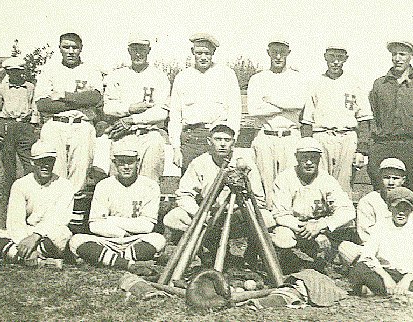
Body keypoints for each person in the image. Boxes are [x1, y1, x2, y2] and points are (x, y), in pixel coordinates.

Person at [163, 124, 273, 264]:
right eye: (218, 139)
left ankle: (252, 254)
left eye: (227, 140)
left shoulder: (245, 164)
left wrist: (237, 211)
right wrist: (199, 213)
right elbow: (184, 194)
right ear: (209, 141)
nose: (222, 144)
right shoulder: (199, 163)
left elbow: (258, 199)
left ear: (233, 142)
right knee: (173, 217)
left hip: (238, 215)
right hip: (208, 214)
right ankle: (196, 251)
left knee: (267, 218)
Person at [68, 143, 166, 271]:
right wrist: (121, 233)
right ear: (114, 163)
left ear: (138, 162)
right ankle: (128, 263)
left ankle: (109, 258)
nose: (126, 167)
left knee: (158, 240)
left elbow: (147, 226)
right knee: (76, 241)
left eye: (130, 162)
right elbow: (95, 225)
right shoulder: (104, 185)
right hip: (108, 240)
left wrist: (110, 220)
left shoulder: (150, 186)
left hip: (135, 239)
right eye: (121, 162)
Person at [367, 41, 413, 198]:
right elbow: (372, 117)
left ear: (411, 56)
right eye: (394, 54)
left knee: (412, 193)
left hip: (412, 145)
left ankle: (411, 221)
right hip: (384, 144)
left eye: (402, 54)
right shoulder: (380, 84)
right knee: (380, 189)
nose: (397, 58)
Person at [270, 137, 356, 274]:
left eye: (313, 157)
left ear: (319, 159)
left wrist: (320, 227)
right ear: (296, 158)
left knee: (347, 247)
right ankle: (288, 263)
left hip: (320, 226)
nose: (309, 162)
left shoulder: (327, 180)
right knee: (282, 236)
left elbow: (348, 211)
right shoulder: (285, 178)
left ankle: (327, 261)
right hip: (295, 227)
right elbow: (280, 214)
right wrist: (307, 229)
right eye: (304, 157)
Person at [0, 141, 74, 266]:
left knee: (63, 234)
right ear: (32, 162)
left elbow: (59, 219)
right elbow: (15, 221)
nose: (45, 165)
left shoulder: (65, 185)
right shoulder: (21, 184)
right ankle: (38, 259)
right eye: (41, 161)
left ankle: (12, 255)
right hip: (25, 233)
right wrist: (23, 241)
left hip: (48, 233)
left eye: (49, 161)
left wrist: (35, 237)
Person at [92, 35, 170, 182]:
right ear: (129, 50)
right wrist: (130, 108)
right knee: (120, 183)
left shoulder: (159, 76)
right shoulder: (117, 75)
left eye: (142, 49)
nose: (138, 53)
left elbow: (161, 111)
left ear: (149, 50)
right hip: (122, 134)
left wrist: (132, 120)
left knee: (149, 182)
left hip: (149, 134)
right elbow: (108, 108)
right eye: (134, 49)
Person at [34, 32, 104, 194]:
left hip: (82, 126)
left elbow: (94, 97)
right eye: (66, 47)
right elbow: (43, 105)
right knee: (55, 173)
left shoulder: (91, 70)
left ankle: (74, 215)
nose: (71, 51)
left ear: (81, 49)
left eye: (75, 47)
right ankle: (56, 216)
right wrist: (79, 102)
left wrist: (64, 96)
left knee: (79, 173)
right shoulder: (49, 70)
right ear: (59, 48)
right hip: (55, 125)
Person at [338, 158, 413, 265]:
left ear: (403, 180)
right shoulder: (368, 201)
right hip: (378, 250)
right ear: (379, 179)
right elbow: (366, 236)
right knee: (346, 248)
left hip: (406, 251)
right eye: (386, 178)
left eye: (396, 178)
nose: (391, 182)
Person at [301, 45, 372, 196]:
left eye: (339, 58)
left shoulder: (354, 83)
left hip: (346, 137)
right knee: (318, 182)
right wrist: (308, 146)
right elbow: (307, 121)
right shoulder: (316, 83)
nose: (335, 62)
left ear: (345, 59)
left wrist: (362, 150)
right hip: (322, 136)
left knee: (343, 186)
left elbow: (364, 120)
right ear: (325, 57)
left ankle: (343, 218)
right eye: (332, 57)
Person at [349, 187, 413, 296]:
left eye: (406, 209)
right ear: (390, 208)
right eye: (397, 208)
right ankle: (411, 294)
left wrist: (406, 279)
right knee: (358, 269)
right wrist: (386, 278)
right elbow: (368, 255)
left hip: (410, 274)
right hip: (387, 271)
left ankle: (379, 291)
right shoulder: (381, 226)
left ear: (411, 210)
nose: (401, 213)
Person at [247, 38, 308, 208]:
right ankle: (267, 226)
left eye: (282, 52)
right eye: (274, 52)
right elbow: (255, 109)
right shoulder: (258, 79)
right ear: (268, 53)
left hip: (290, 137)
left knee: (291, 182)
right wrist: (284, 107)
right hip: (266, 136)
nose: (278, 56)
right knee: (266, 184)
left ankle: (288, 224)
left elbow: (298, 105)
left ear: (288, 53)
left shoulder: (297, 78)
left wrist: (271, 100)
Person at [168, 33, 242, 173]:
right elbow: (175, 116)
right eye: (199, 53)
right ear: (192, 52)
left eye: (207, 53)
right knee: (190, 186)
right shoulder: (183, 77)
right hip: (190, 140)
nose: (203, 57)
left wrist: (230, 141)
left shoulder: (226, 75)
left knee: (217, 187)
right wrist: (176, 148)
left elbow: (235, 111)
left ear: (213, 52)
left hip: (217, 139)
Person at [0, 56, 38, 199]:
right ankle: (10, 195)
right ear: (7, 72)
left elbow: (35, 109)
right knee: (9, 163)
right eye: (11, 71)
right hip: (7, 126)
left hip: (25, 126)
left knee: (29, 162)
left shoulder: (30, 87)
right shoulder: (2, 88)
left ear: (22, 72)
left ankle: (30, 193)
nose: (15, 74)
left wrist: (32, 127)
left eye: (18, 71)